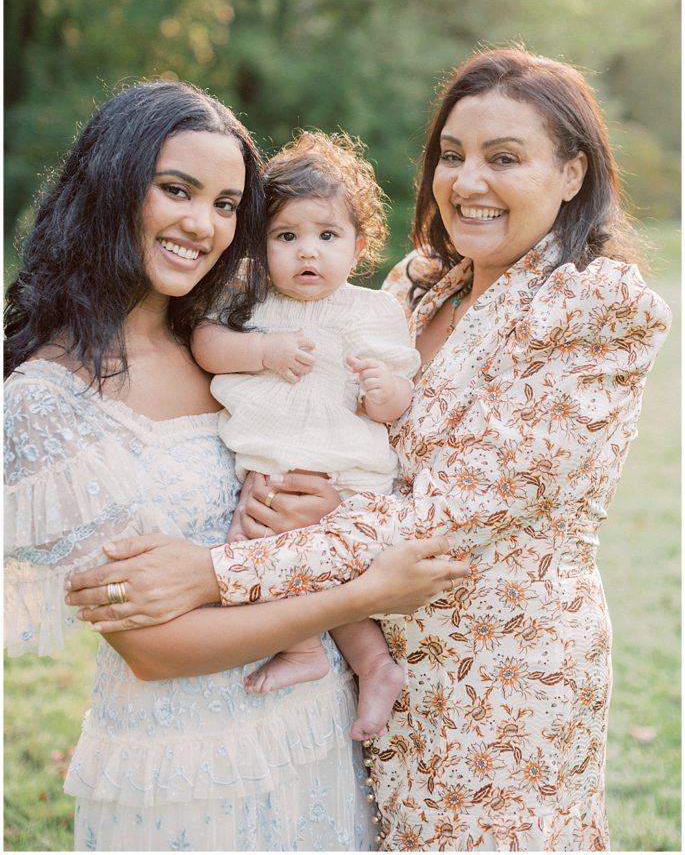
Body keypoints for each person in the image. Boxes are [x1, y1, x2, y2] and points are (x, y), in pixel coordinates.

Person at [65, 47, 671, 851]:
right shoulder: (422, 282)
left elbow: (444, 515)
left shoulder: (595, 303)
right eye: (451, 156)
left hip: (500, 679)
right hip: (369, 673)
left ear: (571, 173)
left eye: (504, 158)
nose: (467, 181)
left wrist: (216, 570)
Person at [3, 79, 468, 853]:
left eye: (225, 205)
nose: (202, 224)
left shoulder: (224, 341)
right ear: (112, 186)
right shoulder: (46, 401)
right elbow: (154, 649)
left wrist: (318, 512)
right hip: (189, 767)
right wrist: (365, 593)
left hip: (317, 736)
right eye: (177, 190)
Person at [192, 130, 420, 740]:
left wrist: (383, 392)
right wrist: (263, 350)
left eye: (327, 236)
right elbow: (206, 345)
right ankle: (307, 650)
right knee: (260, 554)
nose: (306, 252)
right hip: (272, 467)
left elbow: (400, 396)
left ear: (359, 245)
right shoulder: (247, 295)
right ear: (259, 244)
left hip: (342, 475)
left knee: (313, 567)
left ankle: (370, 663)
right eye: (286, 237)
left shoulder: (371, 310)